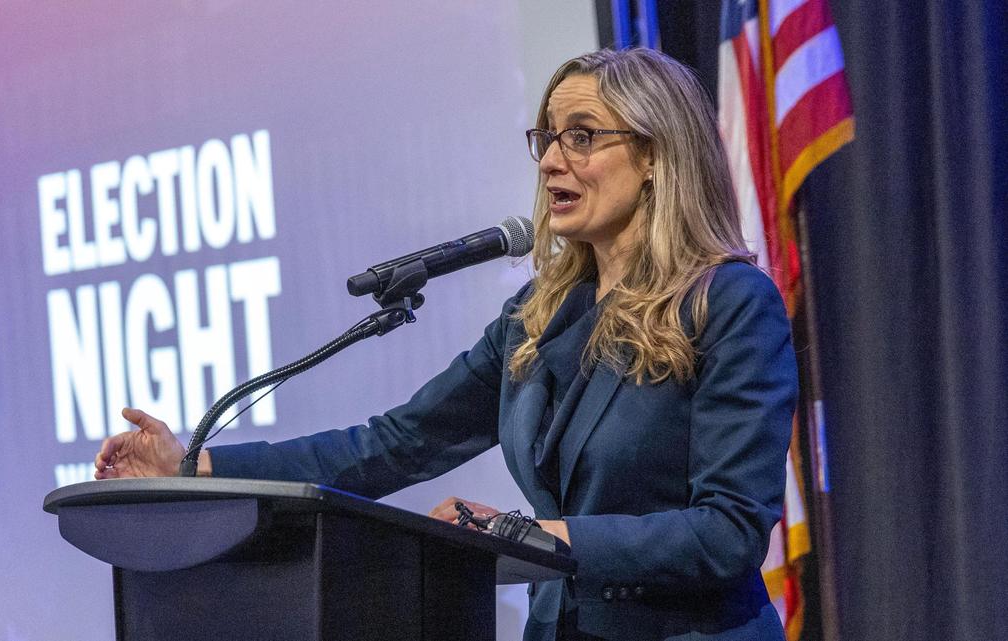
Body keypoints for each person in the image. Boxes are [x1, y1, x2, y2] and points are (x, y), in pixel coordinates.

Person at [95, 47, 797, 641]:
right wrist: (195, 462)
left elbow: (728, 532)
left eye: (582, 135)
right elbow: (394, 443)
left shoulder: (730, 305)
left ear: (654, 155)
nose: (552, 160)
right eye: (546, 137)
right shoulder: (536, 316)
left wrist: (542, 535)